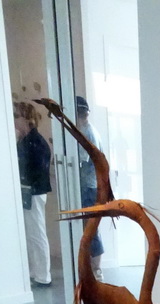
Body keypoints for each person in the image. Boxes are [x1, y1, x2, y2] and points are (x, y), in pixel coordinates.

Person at [15, 102, 52, 287]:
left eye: (17, 116)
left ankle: (43, 275)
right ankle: (35, 272)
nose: (14, 120)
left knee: (37, 233)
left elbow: (37, 172)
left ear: (26, 119)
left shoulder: (36, 142)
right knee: (30, 234)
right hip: (29, 192)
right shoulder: (24, 141)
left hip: (35, 193)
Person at [75, 96, 105, 280]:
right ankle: (94, 269)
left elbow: (80, 161)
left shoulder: (87, 133)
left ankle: (97, 269)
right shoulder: (88, 130)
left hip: (89, 186)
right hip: (91, 185)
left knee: (90, 227)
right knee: (90, 226)